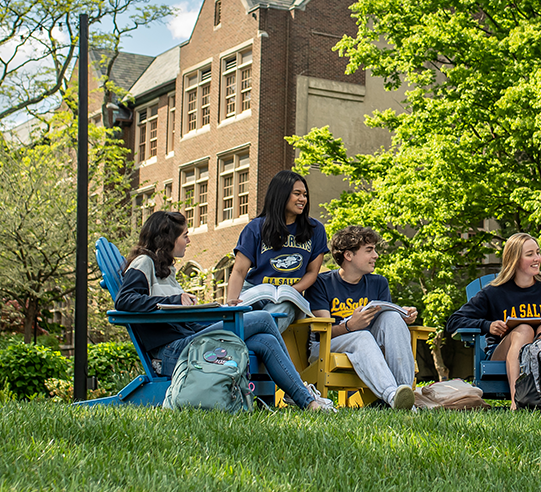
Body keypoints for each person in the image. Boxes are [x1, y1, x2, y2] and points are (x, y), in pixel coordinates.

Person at [114, 210, 334, 412]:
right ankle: (300, 391)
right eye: (184, 235)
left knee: (265, 340)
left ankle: (307, 401)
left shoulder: (164, 269)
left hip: (187, 340)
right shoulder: (144, 262)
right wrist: (176, 299)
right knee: (264, 318)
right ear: (167, 238)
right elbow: (125, 300)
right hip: (172, 352)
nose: (188, 240)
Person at [445, 233, 541, 410]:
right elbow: (454, 322)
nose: (537, 258)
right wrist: (487, 325)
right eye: (530, 254)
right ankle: (517, 402)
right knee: (524, 329)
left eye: (538, 252)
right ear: (514, 259)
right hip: (502, 355)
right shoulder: (494, 293)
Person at [306, 225, 419, 410]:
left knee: (392, 317)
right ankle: (392, 395)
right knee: (362, 336)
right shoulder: (322, 284)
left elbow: (385, 325)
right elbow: (321, 333)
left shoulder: (378, 283)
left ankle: (404, 393)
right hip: (326, 346)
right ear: (348, 255)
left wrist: (402, 317)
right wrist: (350, 326)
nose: (376, 255)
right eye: (369, 250)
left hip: (368, 346)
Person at [226, 171, 328, 328]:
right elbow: (239, 270)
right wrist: (232, 303)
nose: (303, 199)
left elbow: (312, 272)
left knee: (280, 311)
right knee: (241, 316)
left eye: (305, 195)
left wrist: (291, 291)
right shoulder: (256, 228)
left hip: (289, 297)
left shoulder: (315, 230)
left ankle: (244, 347)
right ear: (281, 194)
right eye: (297, 194)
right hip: (255, 292)